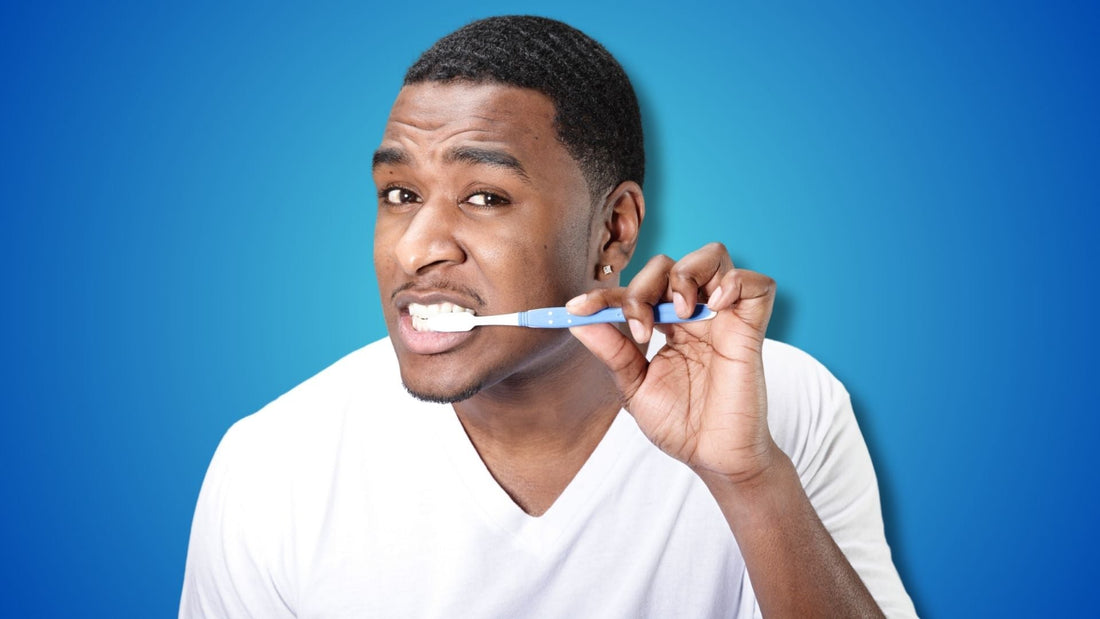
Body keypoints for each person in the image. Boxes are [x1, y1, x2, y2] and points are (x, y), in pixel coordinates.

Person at [180, 15, 916, 618]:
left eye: (484, 197)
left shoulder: (780, 403)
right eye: (399, 194)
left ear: (614, 232)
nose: (416, 249)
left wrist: (749, 480)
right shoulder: (272, 465)